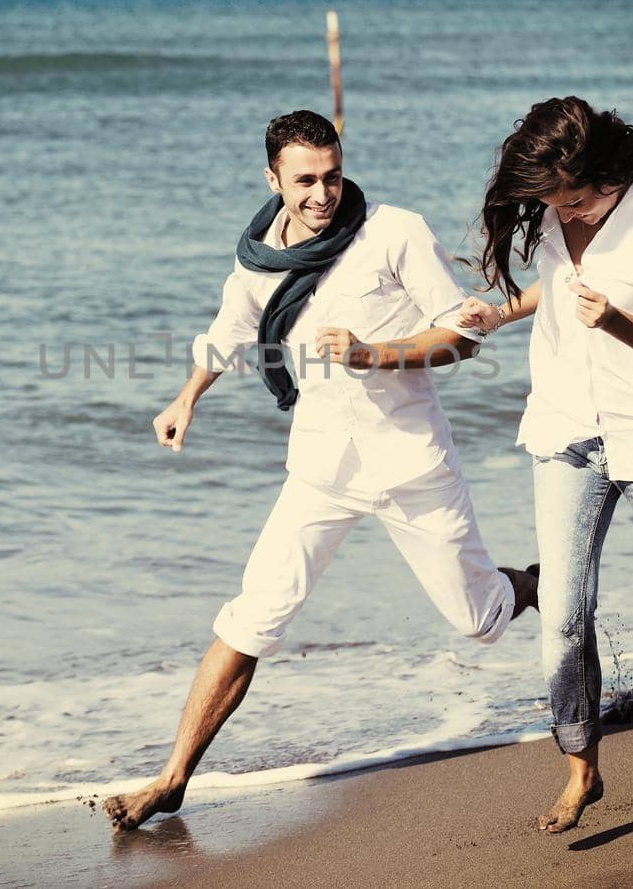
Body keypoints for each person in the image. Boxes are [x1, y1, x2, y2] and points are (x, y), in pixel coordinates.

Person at [104, 110, 538, 832]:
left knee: (479, 621)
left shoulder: (393, 230)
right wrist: (184, 399)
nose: (322, 193)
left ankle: (530, 585)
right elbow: (228, 334)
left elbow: (462, 335)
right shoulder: (256, 261)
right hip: (319, 468)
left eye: (332, 175)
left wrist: (375, 353)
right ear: (271, 179)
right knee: (252, 618)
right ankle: (173, 777)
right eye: (304, 180)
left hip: (409, 463)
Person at [460, 96, 633, 832]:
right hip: (568, 428)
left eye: (575, 198)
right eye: (552, 201)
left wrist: (614, 320)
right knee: (565, 615)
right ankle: (581, 764)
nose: (564, 211)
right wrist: (502, 310)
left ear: (609, 172)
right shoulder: (561, 201)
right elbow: (563, 283)